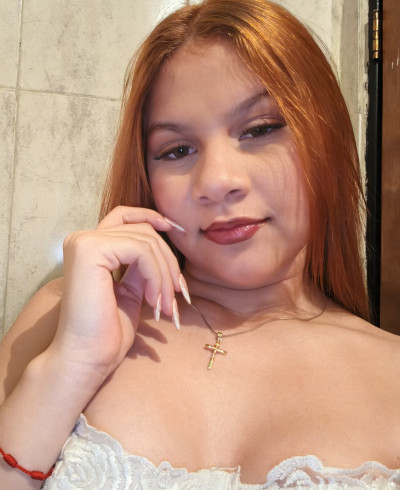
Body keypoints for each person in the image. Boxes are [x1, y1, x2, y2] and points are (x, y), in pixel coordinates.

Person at [1, 0, 400, 488]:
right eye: (177, 151)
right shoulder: (63, 318)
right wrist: (72, 366)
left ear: (326, 136)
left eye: (259, 129)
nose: (216, 181)